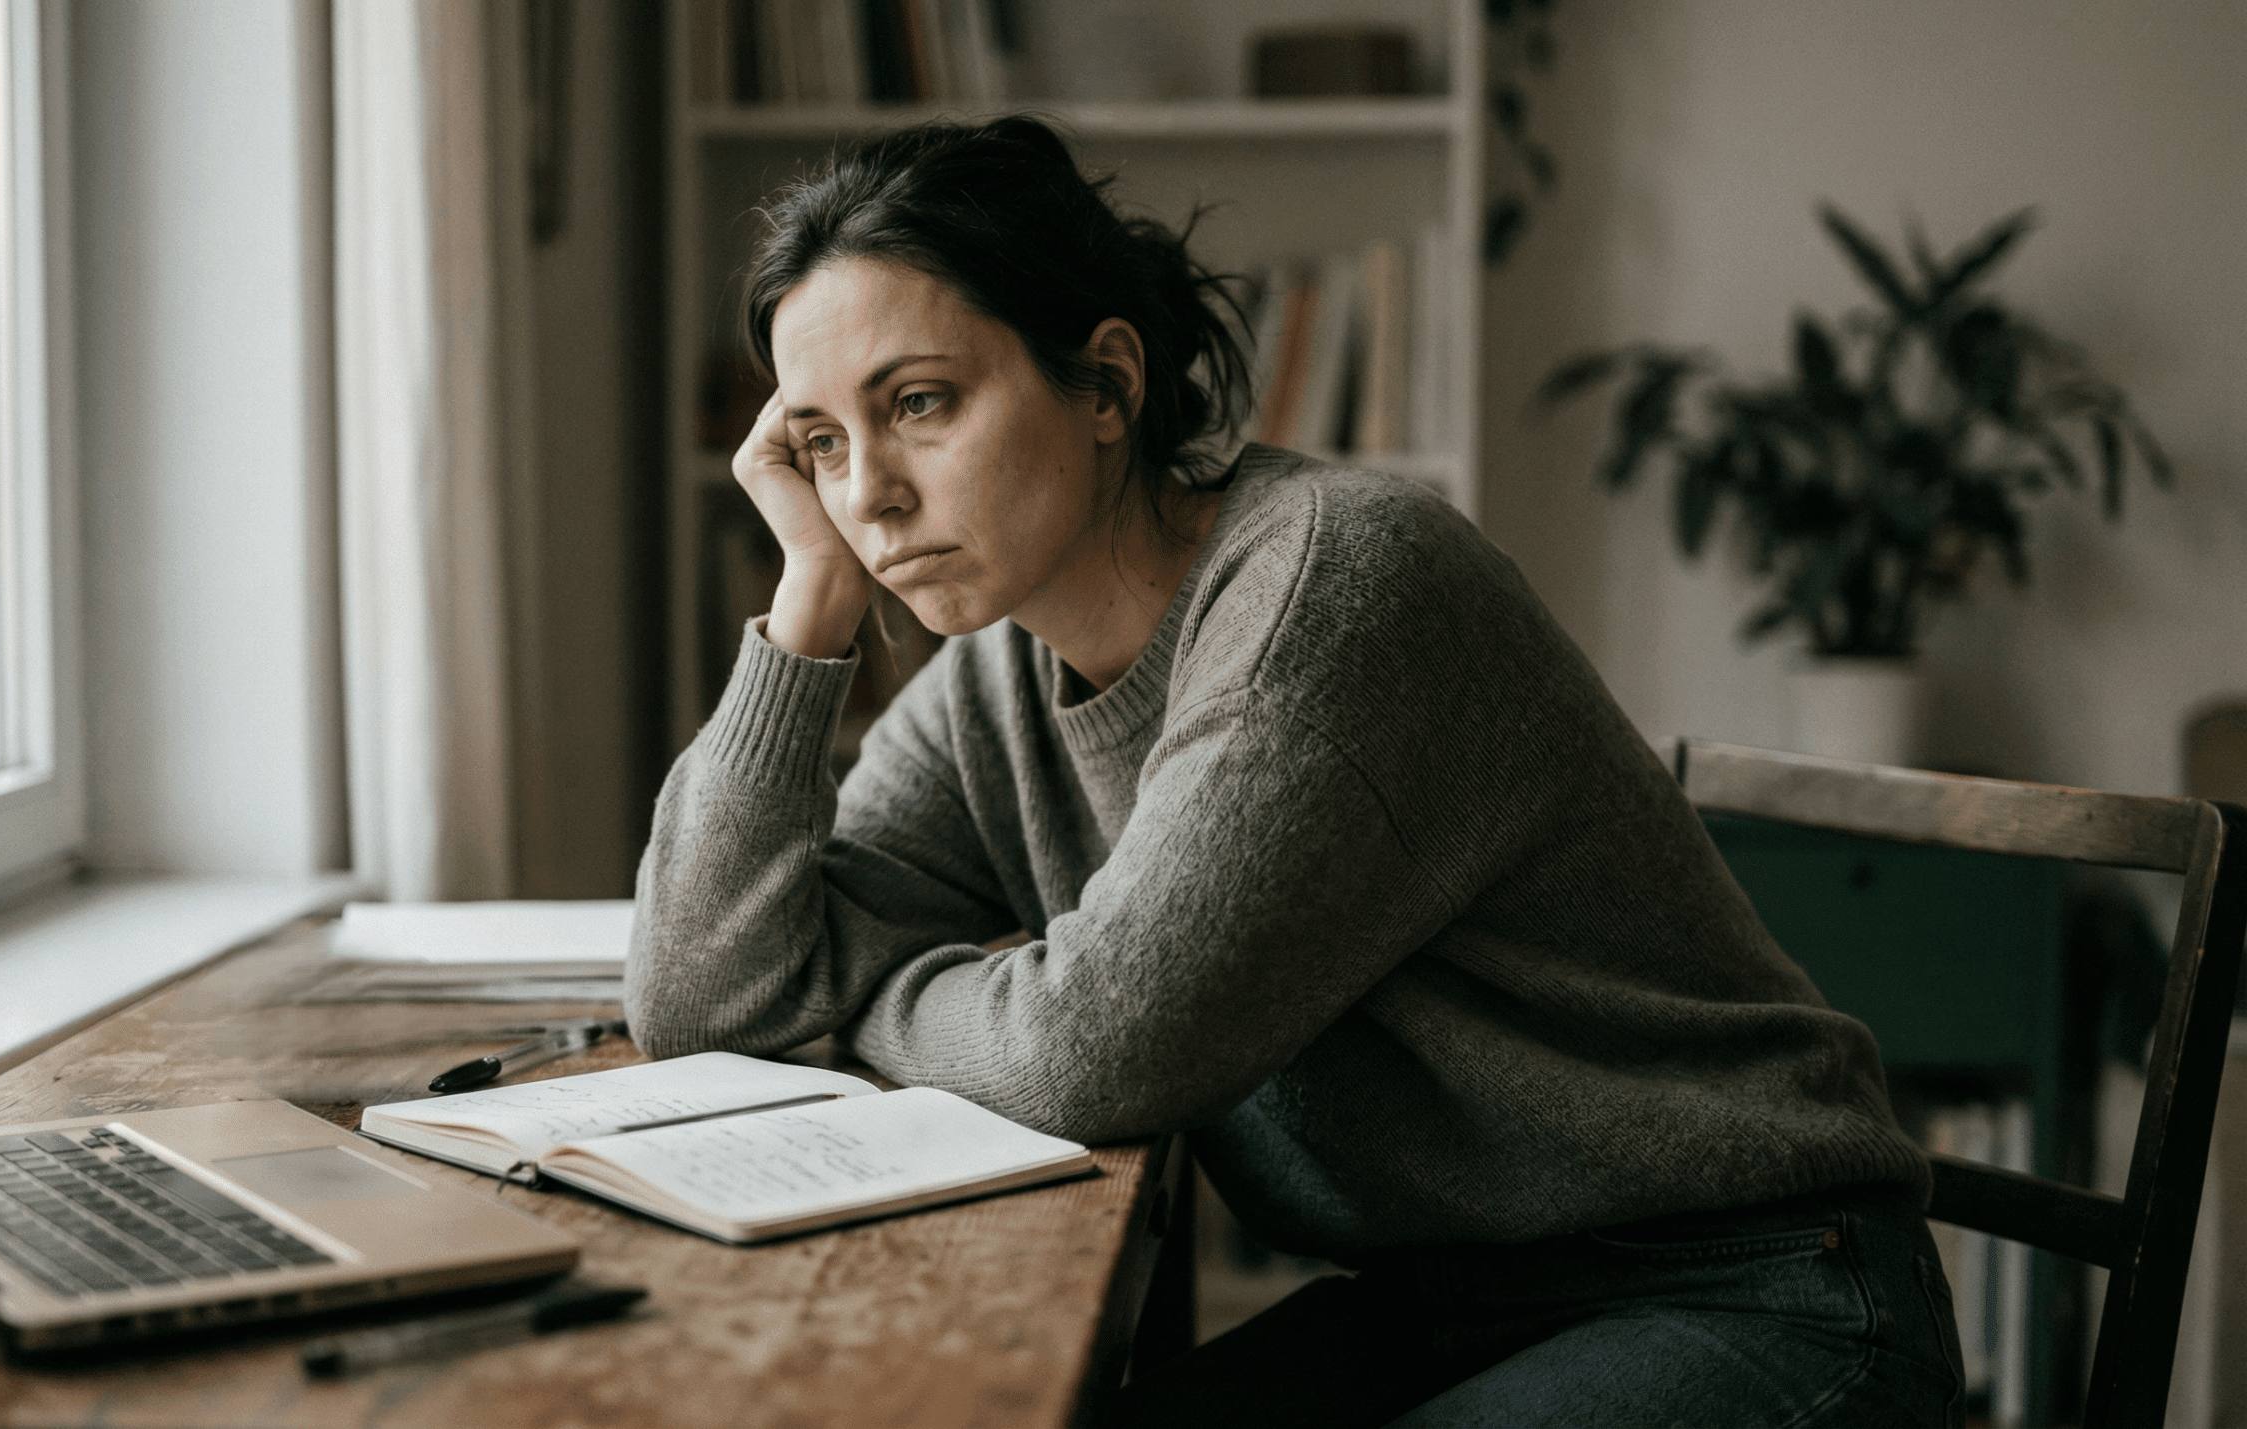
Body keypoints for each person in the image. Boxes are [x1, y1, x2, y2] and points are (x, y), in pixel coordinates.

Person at [626, 116, 1963, 1427]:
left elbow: (1089, 1050)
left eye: (919, 403)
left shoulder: (1331, 592)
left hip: (1760, 1297)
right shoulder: (998, 669)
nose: (869, 496)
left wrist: (863, 987)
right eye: (820, 444)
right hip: (1447, 1304)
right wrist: (806, 604)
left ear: (1106, 384)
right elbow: (704, 998)